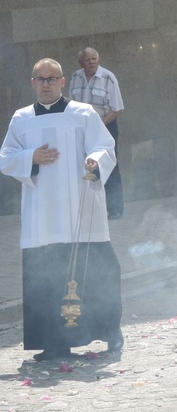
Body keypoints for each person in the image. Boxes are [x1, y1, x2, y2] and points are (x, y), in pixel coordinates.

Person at [0, 58, 123, 361]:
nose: (46, 84)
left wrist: (94, 161)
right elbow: (6, 157)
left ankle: (109, 332)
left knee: (100, 270)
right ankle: (54, 343)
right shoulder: (21, 118)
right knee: (44, 277)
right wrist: (31, 157)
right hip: (42, 215)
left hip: (82, 208)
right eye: (40, 79)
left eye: (51, 79)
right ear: (32, 83)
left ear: (63, 81)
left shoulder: (83, 113)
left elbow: (105, 146)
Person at [69, 48, 125, 219]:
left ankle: (115, 209)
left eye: (95, 59)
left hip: (106, 127)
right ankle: (90, 210)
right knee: (87, 168)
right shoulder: (75, 78)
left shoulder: (108, 78)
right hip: (82, 130)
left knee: (109, 167)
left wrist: (97, 126)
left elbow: (117, 109)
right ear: (81, 63)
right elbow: (71, 105)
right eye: (88, 60)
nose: (92, 62)